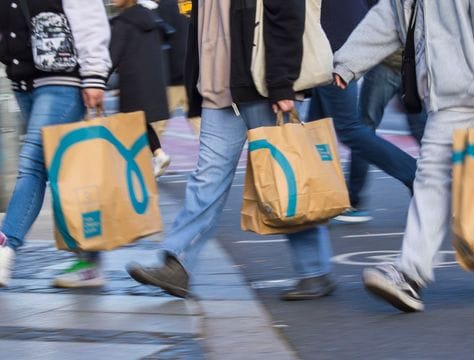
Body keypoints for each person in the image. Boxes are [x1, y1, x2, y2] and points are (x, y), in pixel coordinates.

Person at [125, 0, 336, 301]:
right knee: (207, 177)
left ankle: (314, 269)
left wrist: (281, 83)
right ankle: (178, 263)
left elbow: (287, 12)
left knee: (285, 178)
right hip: (218, 89)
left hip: (261, 85)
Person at [335, 0, 474, 312]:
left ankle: (411, 273)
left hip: (470, 88)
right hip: (443, 90)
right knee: (462, 181)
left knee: (432, 175)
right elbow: (391, 16)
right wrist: (348, 63)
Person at [0, 0, 111, 288]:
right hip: (26, 84)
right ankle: (90, 264)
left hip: (64, 82)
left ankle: (3, 246)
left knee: (33, 164)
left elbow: (89, 19)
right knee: (63, 173)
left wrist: (94, 75)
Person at [309, 0, 418, 224]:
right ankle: (321, 201)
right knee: (314, 129)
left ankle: (414, 174)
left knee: (351, 128)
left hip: (333, 50)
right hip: (340, 46)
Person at [335, 49, 428, 224]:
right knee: (423, 132)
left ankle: (353, 200)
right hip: (415, 67)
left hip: (387, 63)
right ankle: (436, 194)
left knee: (361, 130)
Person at [111, 0, 173, 178]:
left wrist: (96, 81)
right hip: (151, 82)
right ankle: (158, 154)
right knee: (140, 123)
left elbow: (112, 57)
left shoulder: (123, 23)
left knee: (129, 126)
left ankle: (131, 172)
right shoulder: (150, 19)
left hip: (132, 85)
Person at [148, 0, 201, 142]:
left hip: (171, 78)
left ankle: (154, 157)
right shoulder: (188, 4)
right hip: (191, 74)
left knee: (157, 125)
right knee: (199, 122)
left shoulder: (162, 9)